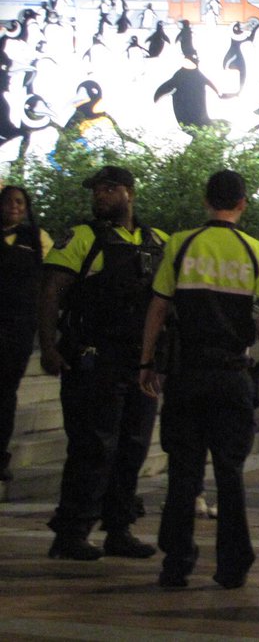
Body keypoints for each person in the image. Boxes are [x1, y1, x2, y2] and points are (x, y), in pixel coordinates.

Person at [139, 169, 259, 589]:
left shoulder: (181, 245)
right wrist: (243, 338)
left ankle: (176, 562)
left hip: (187, 375)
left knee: (184, 471)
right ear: (242, 204)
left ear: (206, 201)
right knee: (230, 472)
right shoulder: (256, 249)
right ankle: (233, 564)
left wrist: (146, 361)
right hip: (231, 374)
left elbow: (159, 308)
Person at [38, 165, 167, 561]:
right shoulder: (82, 237)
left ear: (129, 192)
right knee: (93, 448)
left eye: (108, 189)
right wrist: (48, 346)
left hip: (139, 363)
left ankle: (119, 528)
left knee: (133, 447)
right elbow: (51, 293)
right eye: (96, 190)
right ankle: (72, 531)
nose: (100, 196)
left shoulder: (157, 241)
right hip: (94, 359)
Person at [0, 185, 52, 482]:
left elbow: (50, 281)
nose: (14, 207)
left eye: (20, 202)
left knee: (6, 393)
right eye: (8, 201)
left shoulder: (37, 238)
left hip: (18, 327)